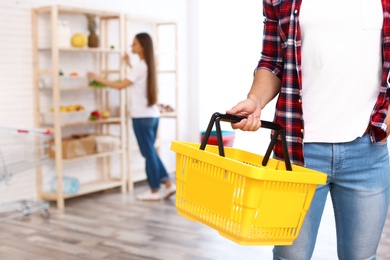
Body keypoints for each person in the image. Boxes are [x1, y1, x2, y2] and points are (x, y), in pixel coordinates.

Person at [227, 1, 390, 259]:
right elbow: (272, 60)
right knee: (290, 257)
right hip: (296, 156)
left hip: (367, 153)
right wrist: (255, 100)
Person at [87, 32, 176, 201]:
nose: (131, 47)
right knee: (151, 152)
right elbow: (138, 80)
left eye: (134, 44)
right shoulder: (148, 65)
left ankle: (154, 191)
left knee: (148, 154)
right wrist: (128, 64)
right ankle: (168, 184)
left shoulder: (140, 67)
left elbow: (121, 85)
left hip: (141, 117)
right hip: (152, 116)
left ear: (142, 46)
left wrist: (98, 78)